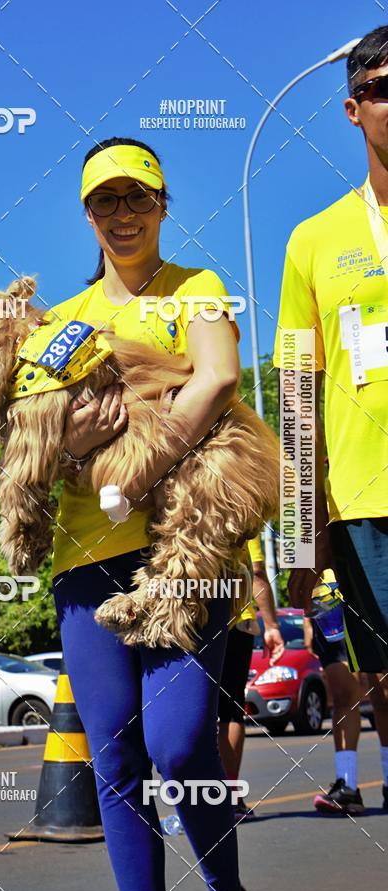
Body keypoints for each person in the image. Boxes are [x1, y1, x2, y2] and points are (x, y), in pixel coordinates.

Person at [47, 137, 252, 891]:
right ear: (87, 213)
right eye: (106, 199)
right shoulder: (64, 321)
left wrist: (131, 466)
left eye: (138, 197)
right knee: (116, 757)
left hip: (183, 553)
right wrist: (77, 436)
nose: (123, 214)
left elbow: (220, 376)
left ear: (163, 205)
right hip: (84, 561)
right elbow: (46, 434)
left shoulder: (197, 286)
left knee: (176, 744)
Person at [273, 29, 388, 742]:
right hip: (364, 498)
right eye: (381, 89)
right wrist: (299, 532)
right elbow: (293, 392)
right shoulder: (313, 240)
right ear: (353, 110)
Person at [218, 533, 285, 822]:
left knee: (198, 708)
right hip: (238, 619)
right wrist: (271, 625)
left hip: (194, 615)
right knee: (231, 709)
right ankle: (230, 796)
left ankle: (200, 798)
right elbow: (257, 572)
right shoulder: (245, 510)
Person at [303, 600, 388, 815]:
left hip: (369, 593)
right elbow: (300, 565)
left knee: (384, 695)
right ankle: (347, 786)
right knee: (343, 694)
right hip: (327, 603)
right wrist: (306, 616)